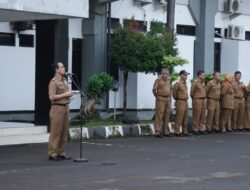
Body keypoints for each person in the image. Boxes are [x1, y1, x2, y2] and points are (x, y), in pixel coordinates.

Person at [48, 62, 73, 161]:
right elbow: (52, 97)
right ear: (56, 69)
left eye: (63, 66)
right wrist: (66, 94)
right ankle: (52, 153)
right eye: (62, 67)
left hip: (65, 108)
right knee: (56, 132)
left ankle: (61, 152)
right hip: (57, 108)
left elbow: (66, 94)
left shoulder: (64, 80)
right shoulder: (53, 82)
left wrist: (70, 94)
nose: (64, 68)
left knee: (64, 131)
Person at [152, 68, 172, 137]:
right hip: (160, 99)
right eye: (163, 73)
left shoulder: (169, 81)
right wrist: (157, 97)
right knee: (159, 115)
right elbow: (154, 90)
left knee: (167, 115)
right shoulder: (158, 80)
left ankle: (166, 131)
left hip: (168, 99)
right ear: (161, 74)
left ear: (168, 74)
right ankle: (157, 131)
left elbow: (170, 90)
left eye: (166, 74)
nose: (165, 75)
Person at [172, 70, 190, 136]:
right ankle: (177, 131)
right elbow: (174, 93)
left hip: (185, 101)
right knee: (179, 116)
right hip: (180, 101)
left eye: (187, 75)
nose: (186, 76)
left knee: (185, 117)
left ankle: (184, 131)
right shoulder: (177, 83)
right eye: (185, 75)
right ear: (181, 75)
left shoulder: (185, 83)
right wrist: (177, 99)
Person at [190, 70, 206, 135]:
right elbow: (192, 92)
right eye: (203, 75)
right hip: (197, 100)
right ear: (199, 76)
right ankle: (195, 129)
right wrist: (195, 99)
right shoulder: (195, 82)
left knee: (202, 115)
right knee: (196, 115)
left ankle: (201, 128)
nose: (204, 76)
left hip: (203, 100)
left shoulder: (203, 82)